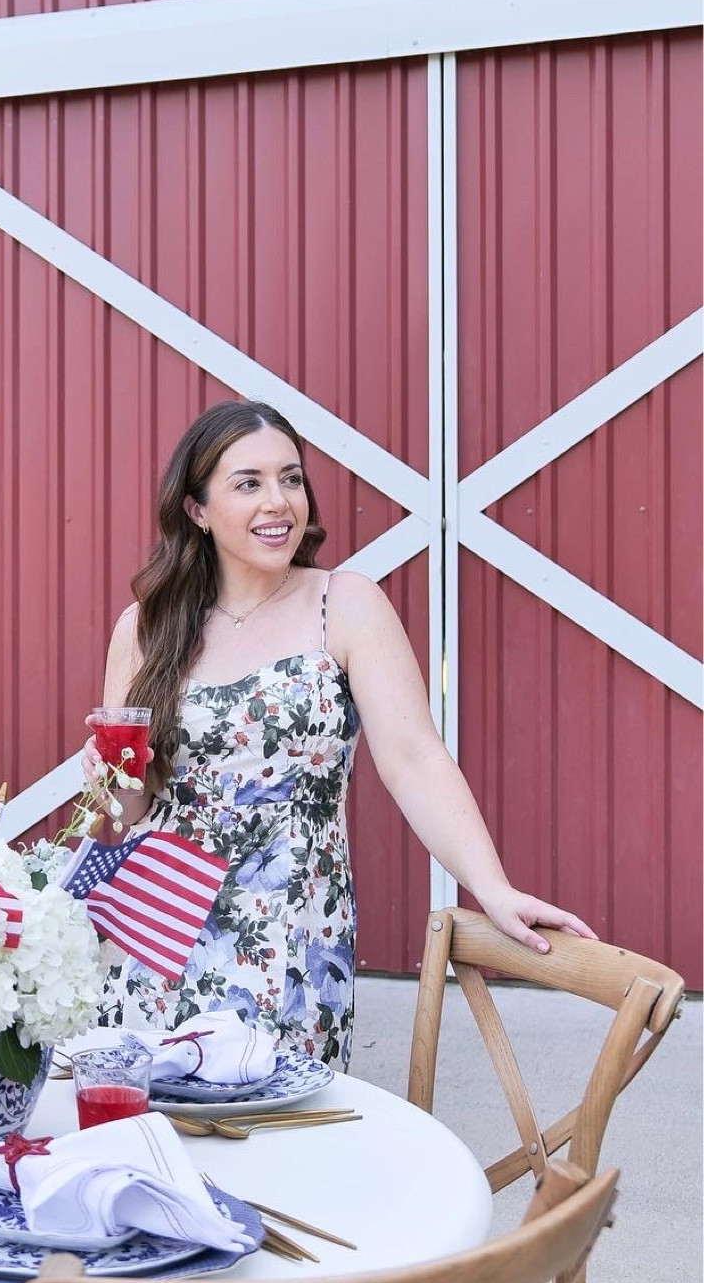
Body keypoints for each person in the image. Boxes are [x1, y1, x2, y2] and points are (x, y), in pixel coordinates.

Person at [92, 398, 593, 1070]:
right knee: (153, 1142)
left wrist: (492, 888)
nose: (278, 502)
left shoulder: (344, 604)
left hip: (290, 934)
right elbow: (123, 812)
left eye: (290, 478)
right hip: (152, 930)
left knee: (277, 1142)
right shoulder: (145, 627)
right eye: (248, 484)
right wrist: (105, 775)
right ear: (196, 510)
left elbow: (414, 759)